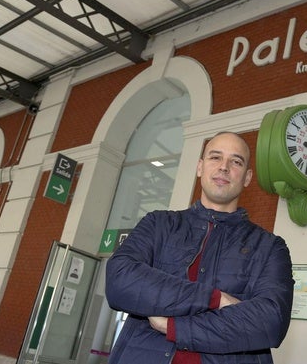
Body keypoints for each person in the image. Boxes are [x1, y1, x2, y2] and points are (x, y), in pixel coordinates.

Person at [105, 131, 294, 364]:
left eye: (236, 161)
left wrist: (174, 326)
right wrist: (216, 299)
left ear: (246, 177)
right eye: (215, 157)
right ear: (199, 167)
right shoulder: (159, 224)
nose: (224, 167)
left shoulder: (270, 247)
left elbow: (270, 322)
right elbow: (120, 280)